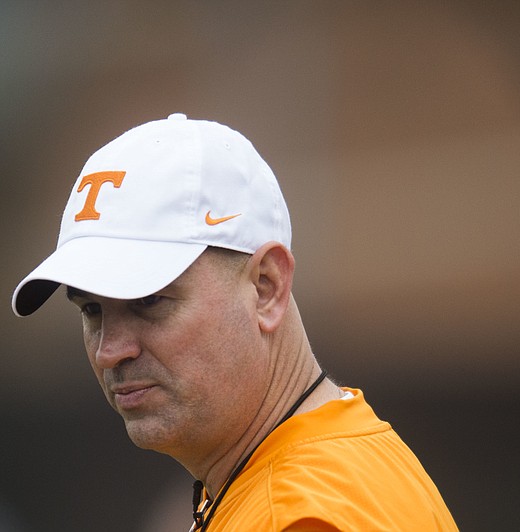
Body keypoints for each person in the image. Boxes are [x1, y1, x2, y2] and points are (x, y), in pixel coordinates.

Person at [12, 113, 457, 531]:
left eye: (148, 300)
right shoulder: (327, 463)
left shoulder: (298, 515)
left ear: (266, 287)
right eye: (91, 310)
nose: (111, 350)